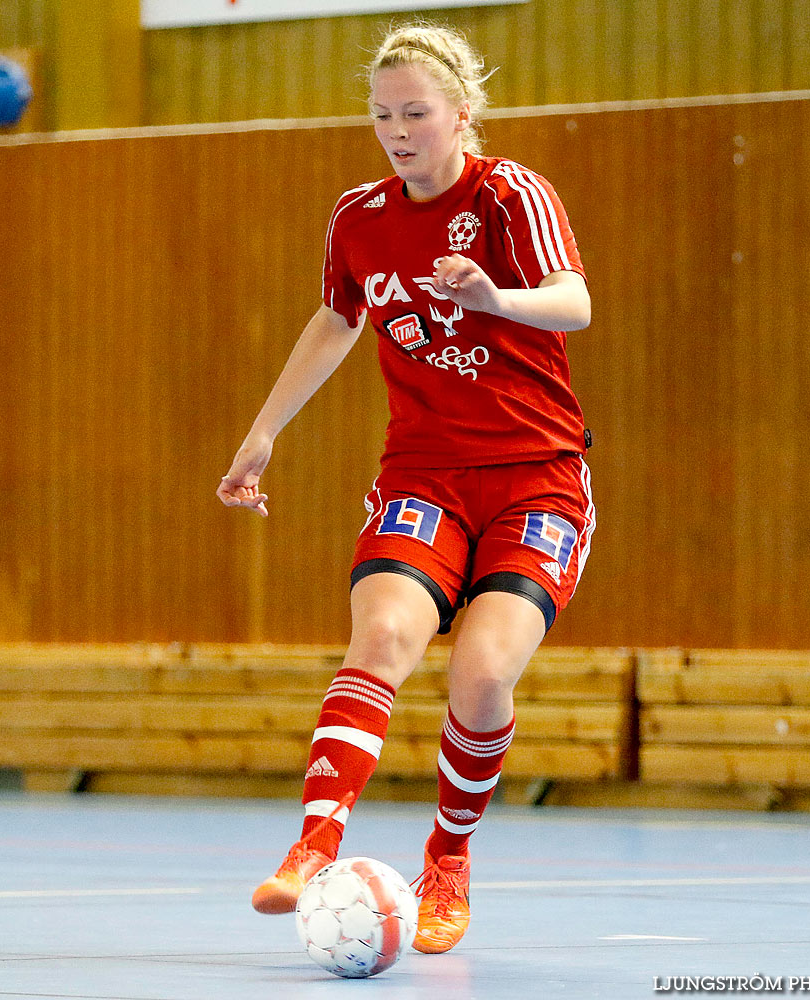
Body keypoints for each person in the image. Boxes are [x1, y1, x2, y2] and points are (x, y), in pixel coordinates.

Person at [218, 21, 595, 955]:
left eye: (415, 113)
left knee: (479, 675)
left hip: (534, 479)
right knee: (382, 634)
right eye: (382, 114)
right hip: (423, 474)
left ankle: (448, 858)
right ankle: (313, 844)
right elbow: (335, 320)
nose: (396, 129)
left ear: (459, 113)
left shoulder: (508, 193)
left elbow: (574, 302)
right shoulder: (359, 217)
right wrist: (262, 433)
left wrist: (494, 299)